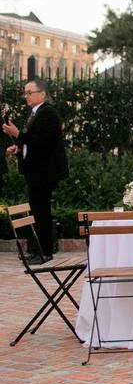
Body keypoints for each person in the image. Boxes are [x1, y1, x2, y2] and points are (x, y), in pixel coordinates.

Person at [3, 79, 69, 264]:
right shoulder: (34, 113)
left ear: (42, 94)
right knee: (36, 211)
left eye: (29, 92)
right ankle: (37, 249)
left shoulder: (48, 114)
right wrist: (17, 149)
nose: (26, 96)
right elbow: (32, 142)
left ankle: (45, 252)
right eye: (25, 93)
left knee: (42, 212)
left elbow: (44, 143)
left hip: (44, 173)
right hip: (35, 173)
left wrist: (17, 134)